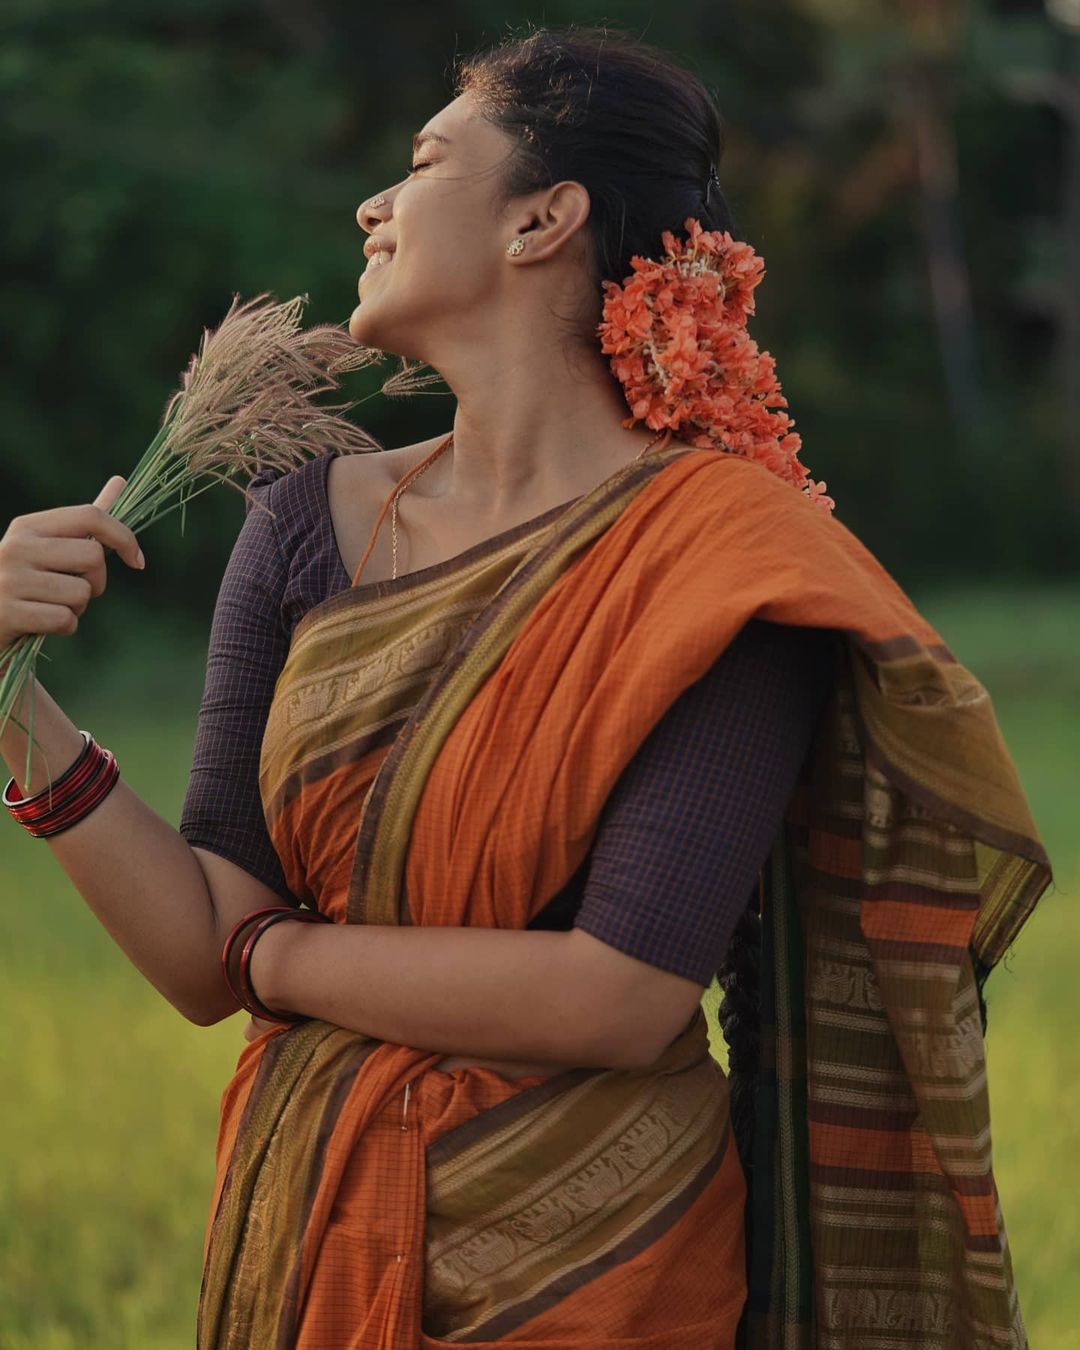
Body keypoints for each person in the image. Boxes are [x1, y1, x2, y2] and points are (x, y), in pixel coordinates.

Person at [0, 25, 1051, 1350]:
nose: (372, 204)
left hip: (598, 1263)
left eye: (428, 158)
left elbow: (620, 993)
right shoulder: (303, 522)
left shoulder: (721, 560)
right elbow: (201, 948)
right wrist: (11, 700)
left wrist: (278, 954)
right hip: (314, 1216)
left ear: (543, 219)